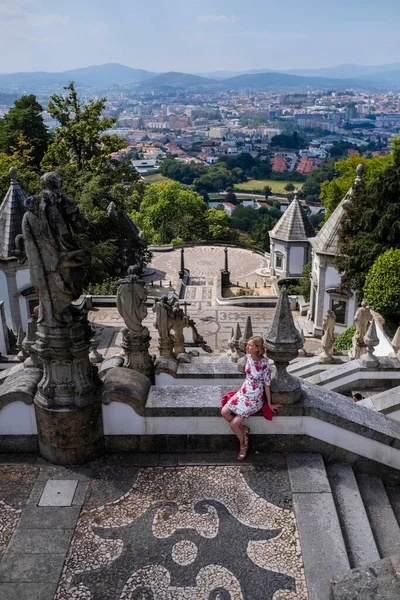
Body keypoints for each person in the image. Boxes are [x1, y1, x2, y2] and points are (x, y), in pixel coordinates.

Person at [221, 336, 281, 461]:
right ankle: (244, 430)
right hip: (243, 392)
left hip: (254, 398)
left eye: (250, 345)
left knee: (233, 424)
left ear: (258, 348)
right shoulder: (247, 357)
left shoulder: (265, 364)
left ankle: (243, 445)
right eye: (247, 345)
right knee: (224, 412)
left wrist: (269, 403)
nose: (247, 347)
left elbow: (267, 385)